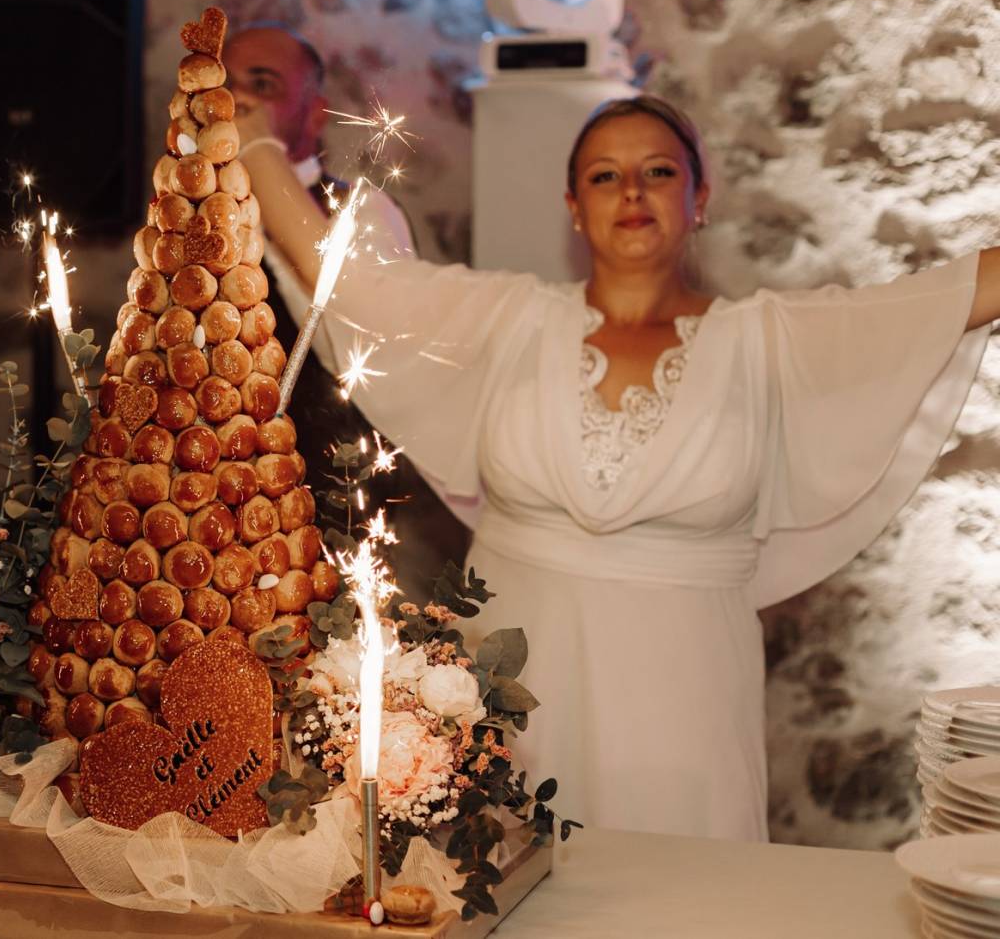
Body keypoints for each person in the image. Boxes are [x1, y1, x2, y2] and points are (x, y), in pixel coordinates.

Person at [241, 92, 1000, 841]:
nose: (631, 192)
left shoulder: (765, 340)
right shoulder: (510, 319)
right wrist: (254, 139)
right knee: (512, 888)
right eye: (605, 176)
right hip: (517, 693)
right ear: (574, 207)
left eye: (659, 172)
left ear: (700, 197)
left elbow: (939, 304)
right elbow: (350, 281)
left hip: (687, 705)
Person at [222, 24, 469, 585]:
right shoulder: (182, 222)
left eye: (262, 83)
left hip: (326, 515)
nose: (235, 100)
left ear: (315, 114)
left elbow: (379, 353)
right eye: (224, 83)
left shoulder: (358, 213)